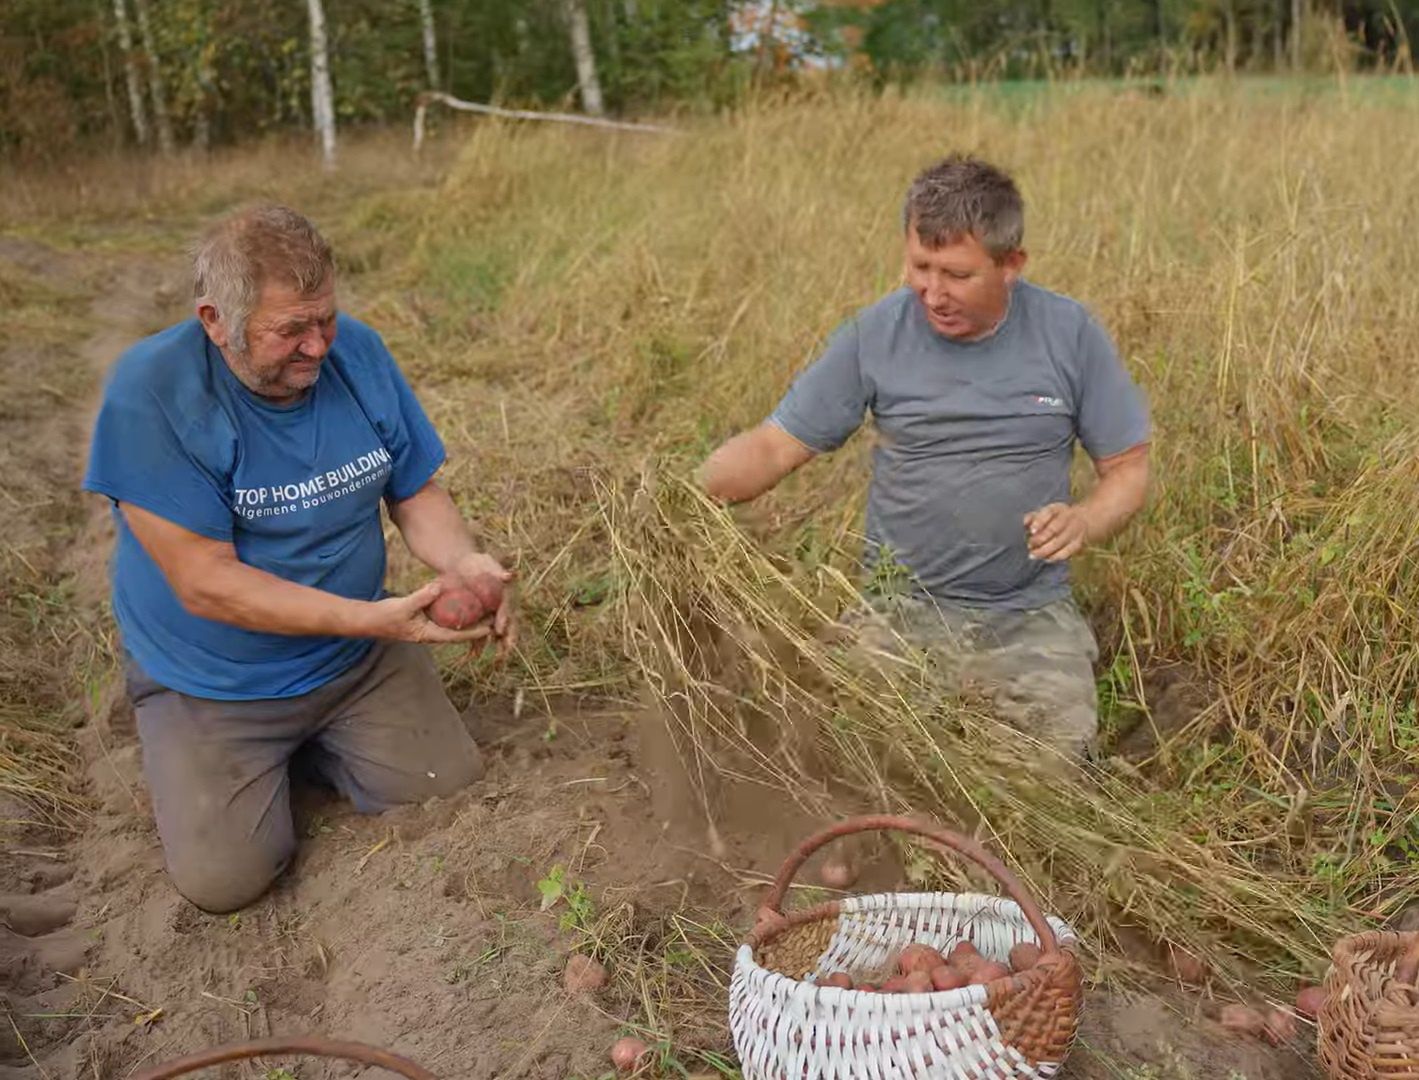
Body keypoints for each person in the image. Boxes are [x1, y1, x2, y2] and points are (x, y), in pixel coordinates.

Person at [83, 205, 515, 912]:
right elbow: (206, 583)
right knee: (225, 882)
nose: (318, 347)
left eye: (327, 320)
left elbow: (415, 492)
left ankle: (319, 741)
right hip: (216, 680)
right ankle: (205, 741)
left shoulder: (360, 355)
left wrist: (465, 562)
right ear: (215, 319)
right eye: (291, 330)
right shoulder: (154, 393)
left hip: (352, 661)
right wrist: (372, 619)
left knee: (445, 784)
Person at [699, 155, 1150, 758]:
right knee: (850, 762)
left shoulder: (1068, 333)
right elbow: (774, 445)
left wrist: (1085, 520)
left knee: (1041, 775)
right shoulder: (875, 334)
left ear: (1011, 264)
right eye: (919, 266)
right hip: (898, 613)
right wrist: (683, 495)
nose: (932, 293)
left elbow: (1127, 470)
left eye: (957, 275)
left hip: (1026, 616)